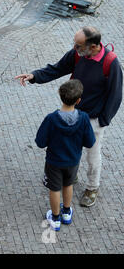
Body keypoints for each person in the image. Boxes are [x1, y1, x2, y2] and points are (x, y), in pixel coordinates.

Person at [15, 26, 123, 207]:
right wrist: (34, 76)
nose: (75, 48)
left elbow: (116, 95)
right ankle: (71, 176)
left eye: (79, 45)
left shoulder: (110, 63)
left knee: (92, 155)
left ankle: (92, 187)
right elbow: (57, 69)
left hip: (93, 120)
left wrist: (103, 121)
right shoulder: (77, 54)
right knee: (71, 149)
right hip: (74, 113)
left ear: (94, 46)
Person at [35, 79, 96, 231]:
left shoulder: (51, 119)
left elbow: (40, 142)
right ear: (79, 100)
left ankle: (55, 218)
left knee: (54, 188)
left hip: (54, 162)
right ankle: (67, 212)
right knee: (68, 184)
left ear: (60, 96)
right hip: (73, 161)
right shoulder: (83, 118)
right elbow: (90, 142)